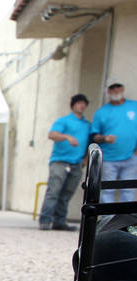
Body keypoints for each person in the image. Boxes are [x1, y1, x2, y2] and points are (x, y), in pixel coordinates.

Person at [37, 94, 91, 231]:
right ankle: (45, 221)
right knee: (53, 191)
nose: (82, 105)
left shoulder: (87, 125)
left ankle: (59, 222)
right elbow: (52, 135)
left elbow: (90, 143)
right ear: (73, 105)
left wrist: (85, 160)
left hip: (77, 164)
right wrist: (67, 136)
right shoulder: (64, 121)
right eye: (79, 103)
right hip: (60, 162)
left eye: (84, 103)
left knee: (67, 194)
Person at [91, 80, 137, 203]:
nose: (116, 90)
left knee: (129, 190)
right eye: (113, 87)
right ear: (108, 91)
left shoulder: (134, 106)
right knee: (107, 190)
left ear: (123, 88)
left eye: (118, 86)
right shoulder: (101, 112)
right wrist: (104, 138)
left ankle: (127, 221)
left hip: (131, 157)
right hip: (108, 159)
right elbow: (94, 136)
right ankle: (108, 220)